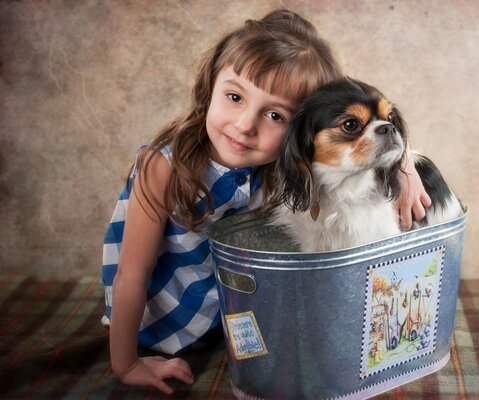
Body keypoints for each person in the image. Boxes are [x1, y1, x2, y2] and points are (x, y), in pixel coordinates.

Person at [101, 9, 430, 394]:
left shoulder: (283, 162)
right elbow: (131, 275)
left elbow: (363, 110)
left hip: (234, 309)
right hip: (163, 318)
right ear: (211, 85)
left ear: (300, 130)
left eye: (275, 114)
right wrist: (126, 364)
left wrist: (404, 164)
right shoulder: (165, 165)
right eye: (235, 96)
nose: (245, 124)